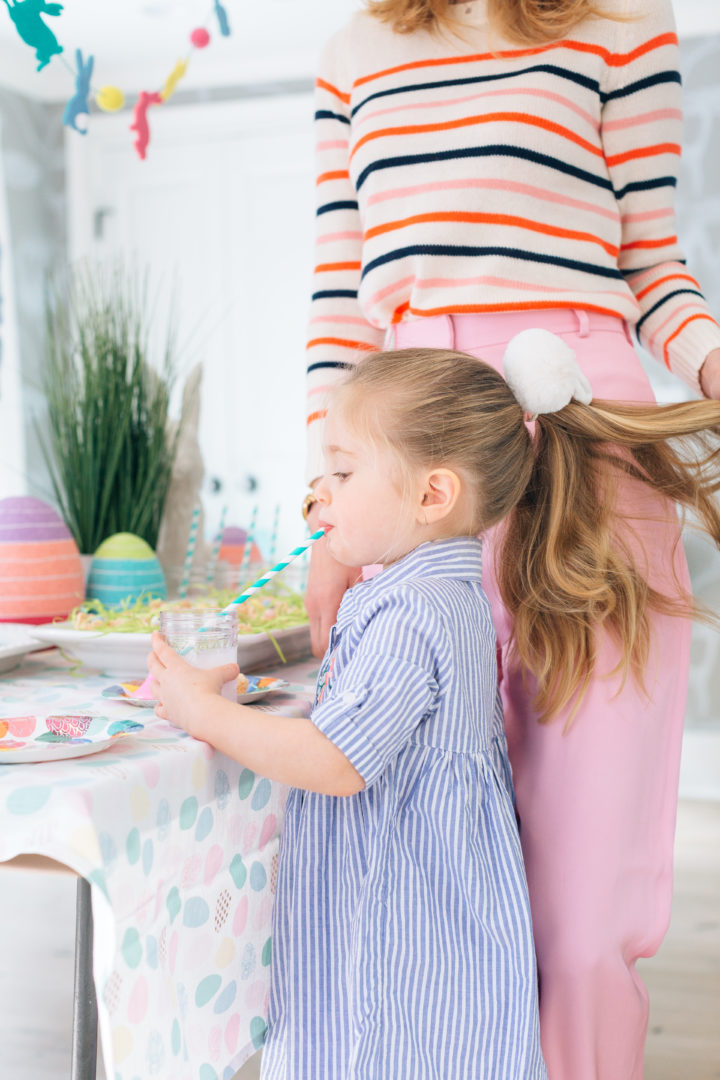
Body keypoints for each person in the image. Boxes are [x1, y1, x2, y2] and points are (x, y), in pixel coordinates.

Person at [301, 1, 720, 1076]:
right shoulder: (352, 56)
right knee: (443, 877)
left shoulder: (622, 20)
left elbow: (657, 273)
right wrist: (334, 513)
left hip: (589, 450)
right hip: (412, 473)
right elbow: (343, 315)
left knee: (580, 920)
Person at [149, 342, 720, 1079]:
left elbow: (337, 761)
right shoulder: (426, 593)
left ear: (432, 495)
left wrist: (204, 713)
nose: (317, 495)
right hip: (425, 921)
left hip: (407, 945)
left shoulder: (415, 613)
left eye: (344, 472)